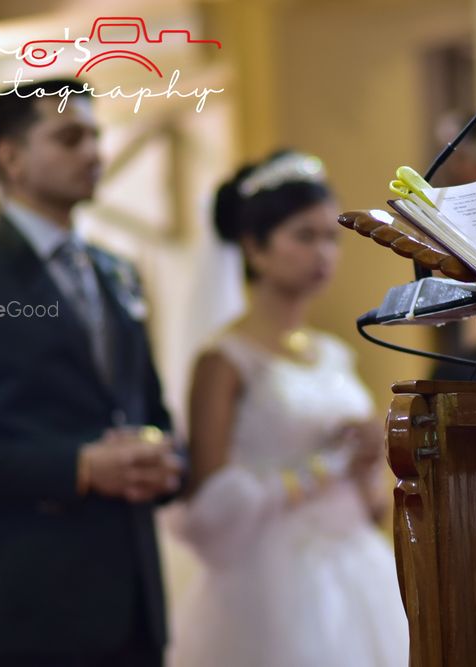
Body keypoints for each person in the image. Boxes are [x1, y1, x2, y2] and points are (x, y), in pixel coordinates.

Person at [0, 79, 183, 666]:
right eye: (71, 138)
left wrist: (163, 456)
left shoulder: (117, 273)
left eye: (97, 137)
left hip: (135, 602)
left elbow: (148, 409)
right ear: (11, 157)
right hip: (32, 608)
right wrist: (76, 467)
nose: (95, 154)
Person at [163, 151, 409, 667]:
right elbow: (208, 508)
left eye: (330, 237)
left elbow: (370, 501)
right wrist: (324, 465)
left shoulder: (333, 355)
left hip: (357, 564)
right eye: (304, 236)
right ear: (254, 247)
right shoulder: (225, 360)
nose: (323, 253)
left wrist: (368, 460)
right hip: (270, 579)